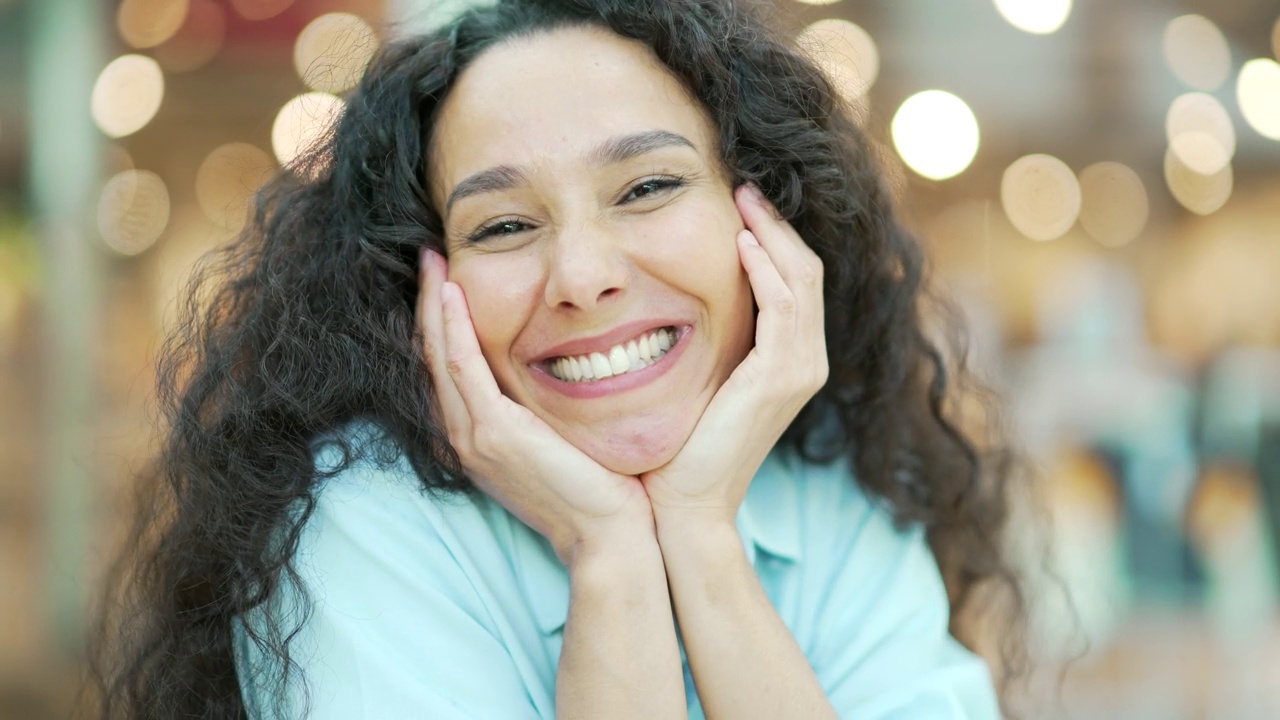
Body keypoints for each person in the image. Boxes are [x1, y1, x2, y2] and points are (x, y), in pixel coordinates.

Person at [92, 0, 1030, 717]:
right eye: (502, 225)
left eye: (649, 186)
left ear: (770, 221)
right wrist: (610, 556)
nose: (581, 277)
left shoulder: (842, 499)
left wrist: (699, 537)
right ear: (417, 291)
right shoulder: (362, 527)